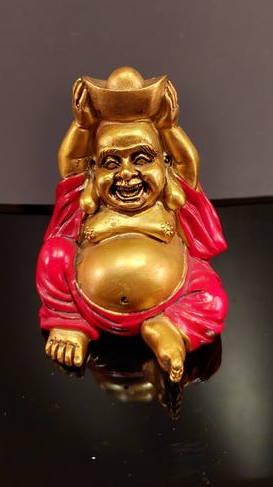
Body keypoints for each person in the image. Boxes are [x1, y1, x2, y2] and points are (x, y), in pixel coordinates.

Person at [36, 67, 228, 382]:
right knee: (54, 255)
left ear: (166, 163)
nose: (126, 174)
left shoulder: (168, 201)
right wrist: (82, 125)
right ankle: (69, 323)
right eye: (111, 163)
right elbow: (71, 164)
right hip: (88, 303)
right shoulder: (89, 201)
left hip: (170, 297)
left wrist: (170, 127)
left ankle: (169, 327)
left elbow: (188, 161)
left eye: (141, 159)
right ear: (93, 169)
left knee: (211, 297)